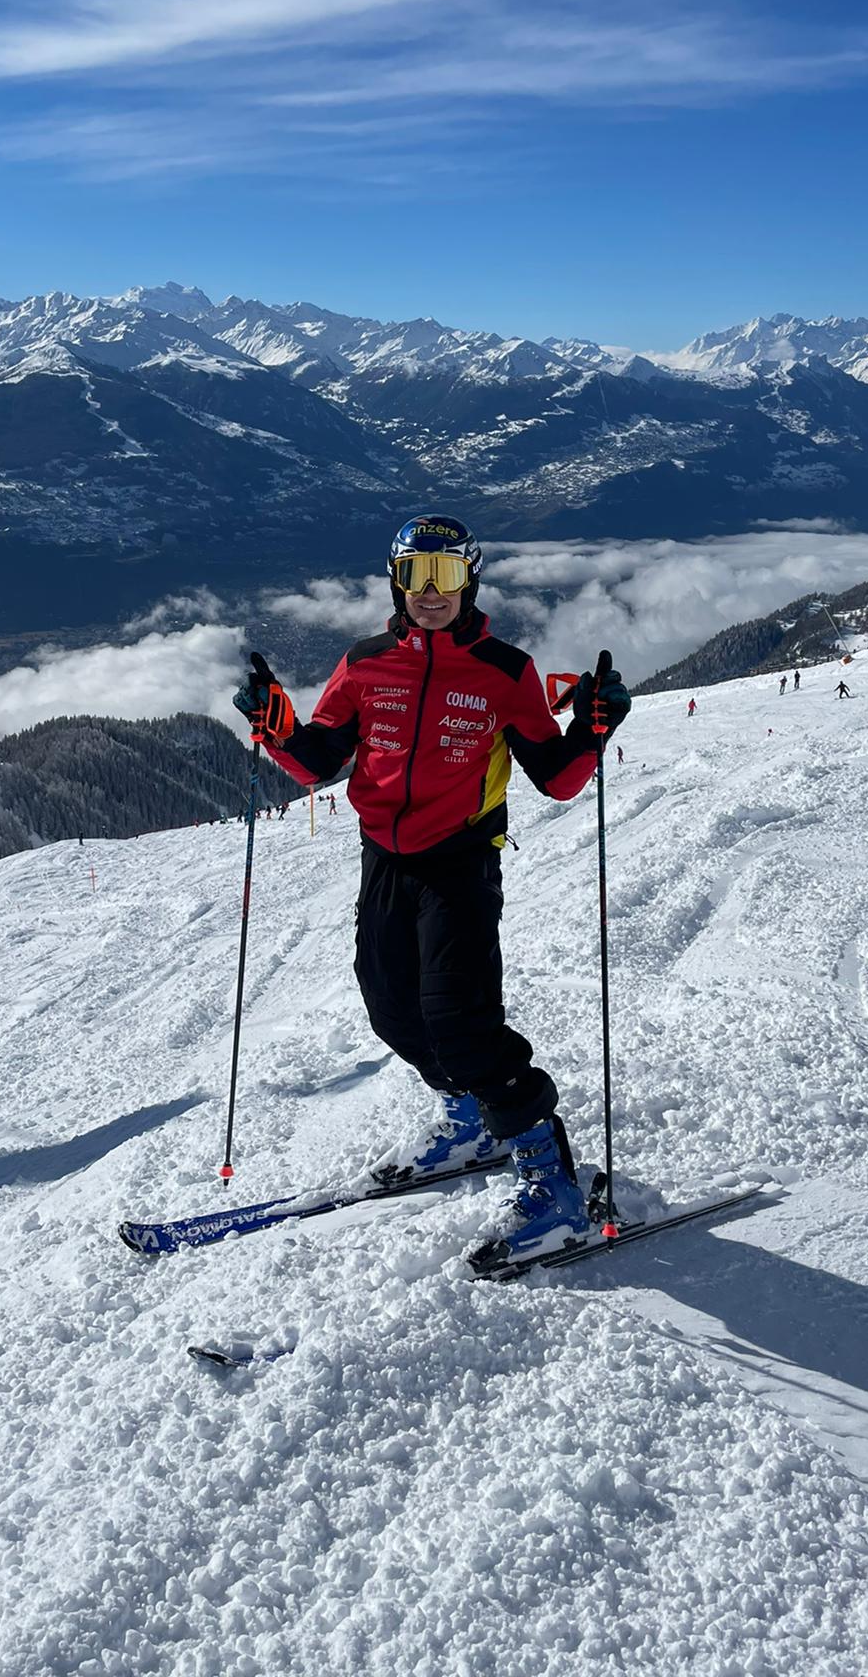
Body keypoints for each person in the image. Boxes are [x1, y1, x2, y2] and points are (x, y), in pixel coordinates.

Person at [234, 513, 630, 1269]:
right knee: (391, 1010)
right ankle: (469, 1118)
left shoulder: (503, 670)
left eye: (446, 576)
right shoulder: (365, 663)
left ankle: (554, 1186)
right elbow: (319, 759)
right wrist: (277, 727)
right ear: (396, 580)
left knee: (463, 1024)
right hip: (383, 857)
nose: (431, 592)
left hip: (460, 863)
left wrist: (592, 730)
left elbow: (557, 776)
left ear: (470, 578)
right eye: (417, 576)